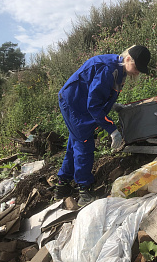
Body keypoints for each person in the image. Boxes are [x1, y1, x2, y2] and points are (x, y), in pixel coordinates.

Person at [55, 45, 151, 206]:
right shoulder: (109, 69)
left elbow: (102, 94)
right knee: (84, 143)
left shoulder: (119, 69)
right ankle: (84, 190)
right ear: (128, 59)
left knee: (75, 141)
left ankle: (62, 185)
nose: (137, 72)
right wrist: (112, 130)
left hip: (79, 102)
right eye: (137, 67)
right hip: (74, 104)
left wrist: (113, 105)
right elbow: (93, 105)